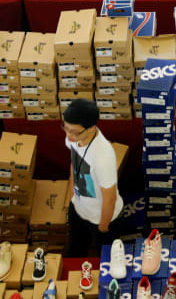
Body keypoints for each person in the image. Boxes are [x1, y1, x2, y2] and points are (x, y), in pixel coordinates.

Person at [64, 99, 125, 257]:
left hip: (102, 218)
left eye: (74, 132)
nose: (69, 135)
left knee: (105, 261)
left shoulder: (103, 156)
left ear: (91, 127)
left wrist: (103, 227)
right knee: (74, 253)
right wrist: (72, 197)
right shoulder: (74, 138)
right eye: (66, 128)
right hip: (79, 209)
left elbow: (110, 198)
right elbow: (74, 163)